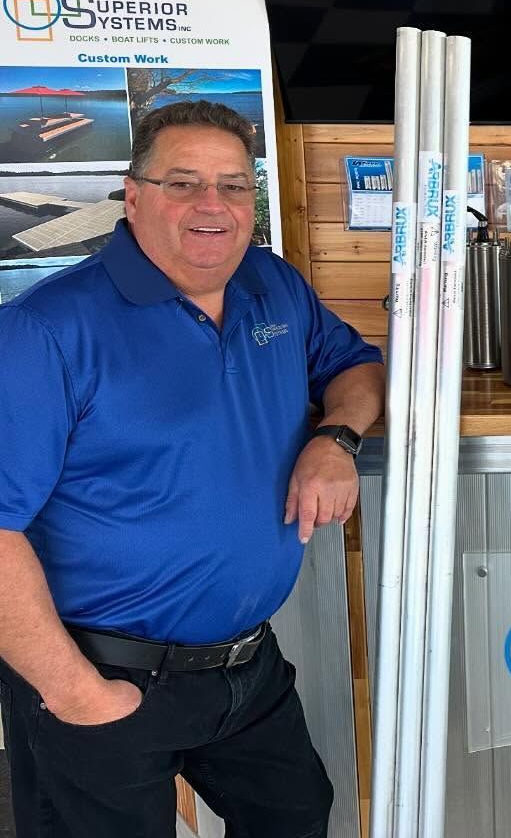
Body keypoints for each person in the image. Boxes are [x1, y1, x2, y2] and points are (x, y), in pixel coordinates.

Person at [0, 100, 385, 837]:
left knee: (298, 816)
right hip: (99, 672)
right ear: (134, 194)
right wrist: (75, 690)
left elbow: (357, 368)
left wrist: (335, 437)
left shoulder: (273, 286)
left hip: (246, 667)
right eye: (183, 183)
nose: (213, 204)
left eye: (234, 185)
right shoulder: (47, 330)